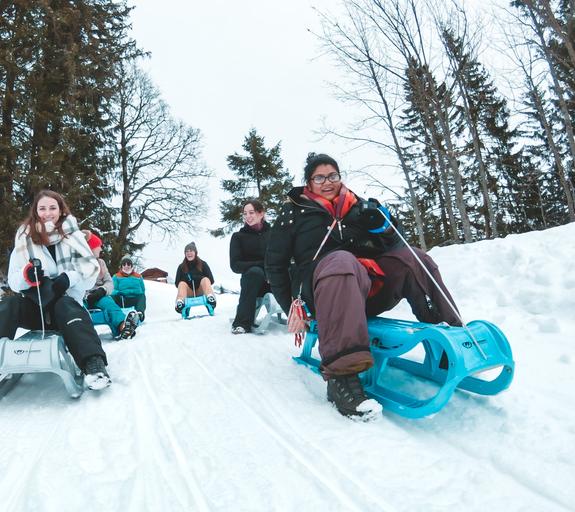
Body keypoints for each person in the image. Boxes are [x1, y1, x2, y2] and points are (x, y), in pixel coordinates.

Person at [265, 153, 462, 422]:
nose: (327, 182)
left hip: (365, 287)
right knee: (342, 261)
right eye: (319, 177)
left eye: (332, 175)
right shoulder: (294, 212)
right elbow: (274, 264)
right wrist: (292, 308)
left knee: (413, 258)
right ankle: (341, 378)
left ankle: (451, 339)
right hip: (319, 288)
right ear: (308, 183)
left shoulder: (358, 207)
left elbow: (395, 248)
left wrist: (386, 229)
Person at [0, 190, 111, 392]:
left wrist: (69, 278)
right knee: (9, 304)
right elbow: (13, 280)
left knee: (66, 304)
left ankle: (93, 366)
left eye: (53, 208)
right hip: (36, 307)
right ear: (36, 212)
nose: (48, 213)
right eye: (43, 208)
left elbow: (90, 278)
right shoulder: (23, 238)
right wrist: (27, 276)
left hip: (65, 311)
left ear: (61, 210)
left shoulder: (75, 237)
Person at [83, 232, 139, 339]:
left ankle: (124, 327)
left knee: (110, 306)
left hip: (99, 296)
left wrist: (103, 290)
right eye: (98, 246)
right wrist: (86, 296)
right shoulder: (77, 263)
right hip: (82, 298)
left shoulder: (101, 263)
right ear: (90, 248)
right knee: (75, 310)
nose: (101, 249)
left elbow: (109, 282)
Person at [229, 199, 272, 334]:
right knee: (255, 272)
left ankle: (303, 317)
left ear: (261, 214)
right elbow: (235, 265)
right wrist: (260, 266)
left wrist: (273, 273)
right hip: (253, 282)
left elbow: (282, 257)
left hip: (275, 281)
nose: (248, 216)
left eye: (251, 212)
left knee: (294, 269)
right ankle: (242, 323)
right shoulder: (238, 237)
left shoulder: (274, 234)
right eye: (245, 213)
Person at [174, 242, 217, 313]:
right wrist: (186, 280)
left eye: (191, 251)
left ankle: (210, 298)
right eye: (187, 251)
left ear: (195, 252)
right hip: (189, 292)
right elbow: (177, 283)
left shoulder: (203, 264)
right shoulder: (181, 267)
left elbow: (211, 280)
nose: (189, 253)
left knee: (205, 279)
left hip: (201, 291)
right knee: (181, 283)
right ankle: (180, 303)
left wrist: (199, 278)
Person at [111, 255, 147, 322]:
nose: (126, 266)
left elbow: (143, 289)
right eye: (124, 264)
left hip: (134, 298)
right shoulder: (116, 276)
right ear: (121, 266)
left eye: (128, 264)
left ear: (131, 265)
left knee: (142, 296)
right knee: (112, 297)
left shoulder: (138, 276)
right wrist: (117, 293)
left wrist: (138, 293)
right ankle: (115, 315)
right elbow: (112, 289)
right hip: (122, 299)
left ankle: (139, 314)